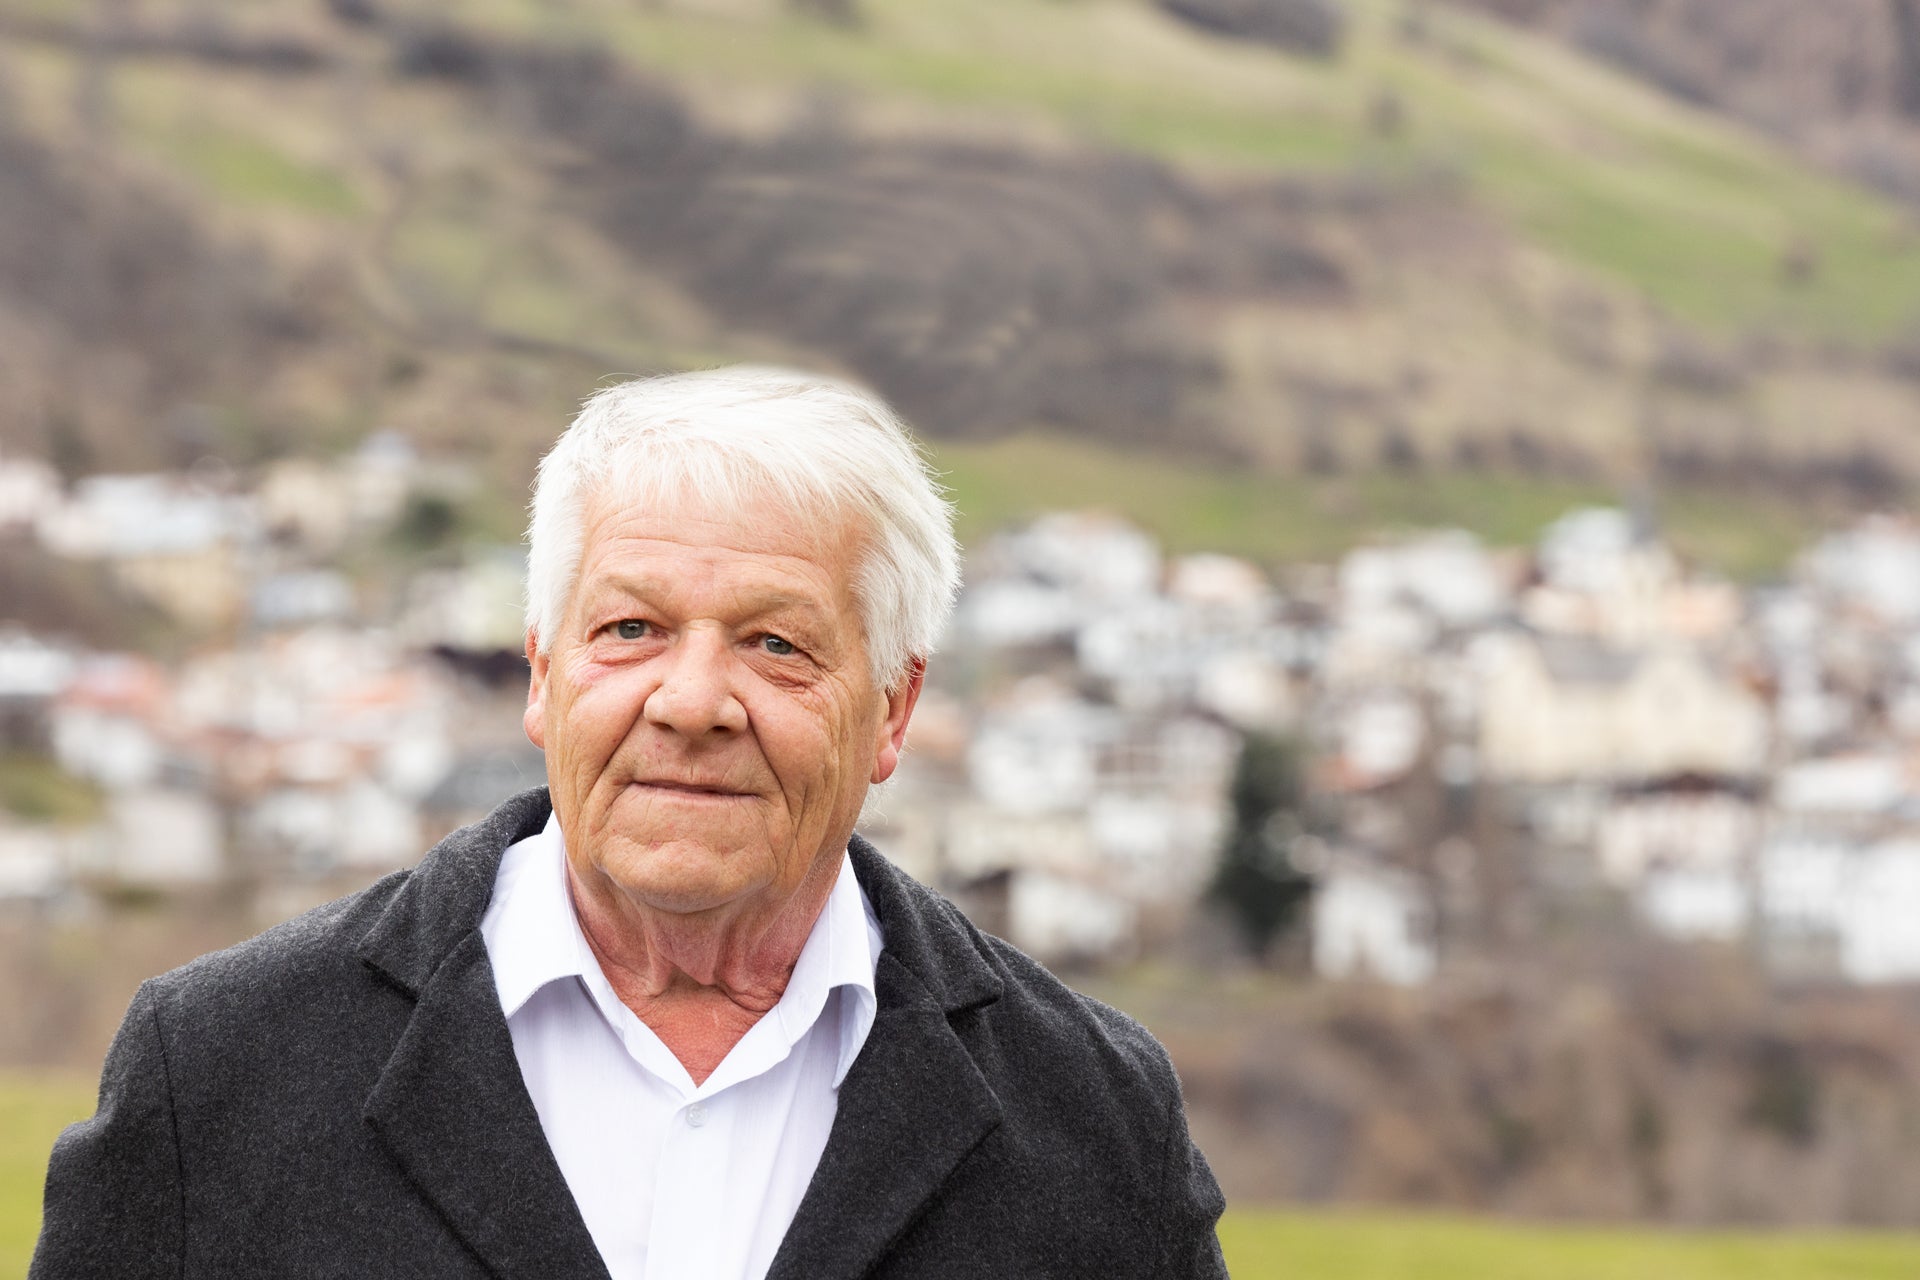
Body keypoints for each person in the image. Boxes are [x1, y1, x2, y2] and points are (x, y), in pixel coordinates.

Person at [33, 366, 1227, 1279]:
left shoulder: (1096, 1122)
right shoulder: (220, 1072)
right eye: (630, 629)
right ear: (543, 675)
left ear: (893, 708)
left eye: (776, 642)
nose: (693, 701)